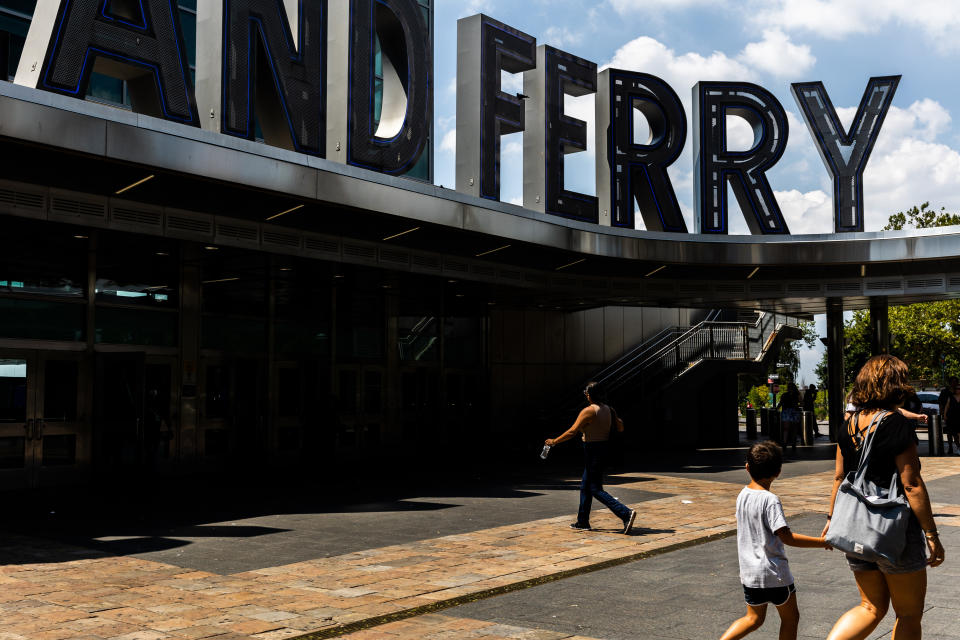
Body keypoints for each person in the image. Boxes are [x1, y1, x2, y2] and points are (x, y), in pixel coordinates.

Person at [823, 354, 945, 640]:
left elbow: (840, 477)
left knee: (870, 607)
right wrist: (932, 535)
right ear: (895, 385)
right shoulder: (896, 424)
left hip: (854, 528)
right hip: (893, 530)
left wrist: (831, 519)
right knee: (908, 614)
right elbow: (911, 484)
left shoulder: (848, 424)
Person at [719, 441, 829, 640]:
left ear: (747, 467)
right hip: (775, 573)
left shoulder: (742, 495)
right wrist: (821, 542)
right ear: (778, 471)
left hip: (750, 574)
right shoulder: (770, 500)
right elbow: (787, 537)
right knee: (790, 618)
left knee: (753, 619)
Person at [545, 381, 637, 534]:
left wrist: (554, 441)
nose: (585, 395)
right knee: (586, 486)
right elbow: (620, 427)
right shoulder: (609, 409)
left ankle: (625, 513)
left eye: (586, 392)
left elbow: (572, 431)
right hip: (604, 448)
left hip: (592, 450)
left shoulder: (589, 411)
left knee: (595, 488)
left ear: (590, 394)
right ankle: (582, 521)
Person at [777, 383, 801, 454]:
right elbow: (802, 403)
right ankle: (793, 444)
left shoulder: (784, 395)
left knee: (786, 429)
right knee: (794, 429)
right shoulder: (797, 395)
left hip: (786, 412)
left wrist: (776, 409)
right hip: (794, 412)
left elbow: (780, 403)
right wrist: (797, 405)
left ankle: (784, 444)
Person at [943, 381, 960, 455]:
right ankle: (951, 448)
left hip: (959, 417)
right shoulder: (951, 397)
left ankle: (958, 447)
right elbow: (947, 406)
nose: (958, 390)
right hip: (951, 417)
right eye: (956, 388)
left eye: (959, 388)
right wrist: (945, 415)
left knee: (958, 433)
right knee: (950, 433)